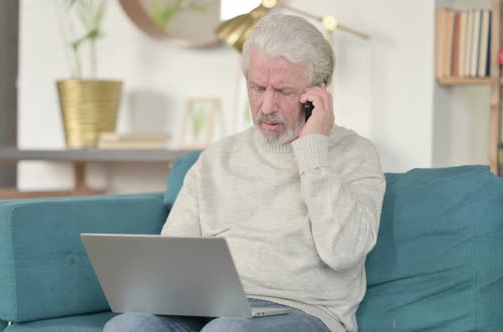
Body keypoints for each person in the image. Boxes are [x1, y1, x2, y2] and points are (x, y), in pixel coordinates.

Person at [104, 13, 385, 332]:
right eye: (257, 87)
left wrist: (313, 151)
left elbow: (344, 252)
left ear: (317, 94)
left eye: (283, 91)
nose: (266, 106)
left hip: (302, 312)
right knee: (129, 326)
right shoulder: (216, 159)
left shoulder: (355, 154)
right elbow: (173, 258)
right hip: (209, 309)